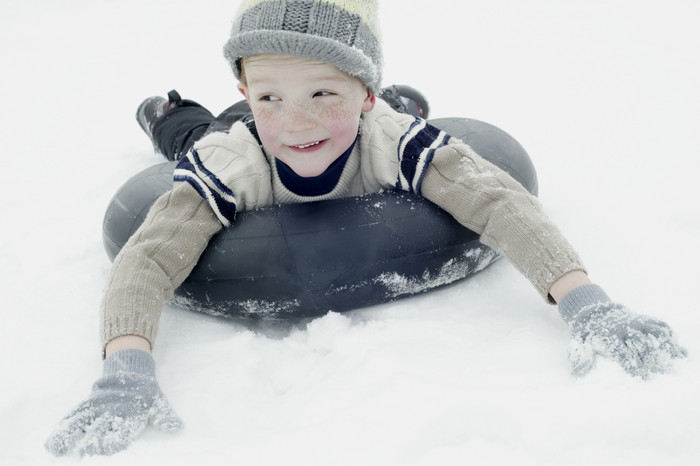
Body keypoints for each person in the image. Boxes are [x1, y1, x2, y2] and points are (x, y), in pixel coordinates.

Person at [45, 0, 686, 457]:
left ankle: (392, 94)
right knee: (197, 136)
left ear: (364, 96)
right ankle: (169, 114)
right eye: (269, 95)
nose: (297, 123)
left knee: (381, 116)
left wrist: (586, 303)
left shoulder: (390, 140)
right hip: (223, 135)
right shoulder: (236, 158)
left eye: (325, 94)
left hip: (379, 113)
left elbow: (496, 200)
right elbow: (149, 256)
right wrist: (125, 369)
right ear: (245, 84)